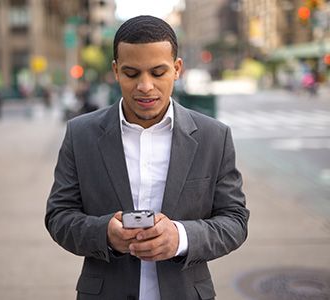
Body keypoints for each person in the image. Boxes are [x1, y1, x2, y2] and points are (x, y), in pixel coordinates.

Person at [45, 15, 249, 300]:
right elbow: (58, 216)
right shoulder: (81, 135)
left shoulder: (214, 136)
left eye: (157, 72)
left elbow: (235, 221)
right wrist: (104, 233)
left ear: (177, 69)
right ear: (115, 71)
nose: (145, 86)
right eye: (131, 74)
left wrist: (181, 237)